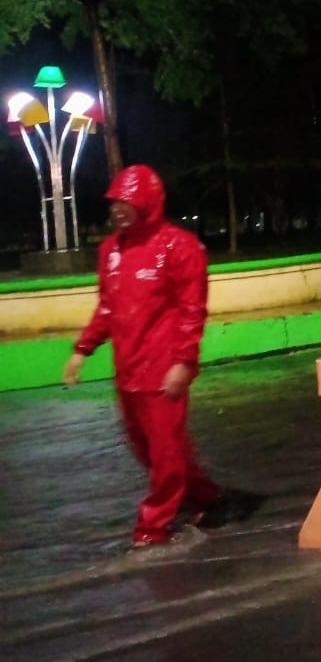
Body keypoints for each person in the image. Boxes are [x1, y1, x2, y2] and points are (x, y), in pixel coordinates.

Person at [64, 164, 250, 550]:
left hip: (162, 369)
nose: (117, 209)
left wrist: (183, 361)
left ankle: (151, 527)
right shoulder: (110, 250)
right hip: (128, 369)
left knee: (165, 452)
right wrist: (83, 349)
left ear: (147, 202)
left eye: (126, 201)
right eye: (114, 202)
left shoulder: (180, 247)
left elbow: (191, 310)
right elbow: (108, 308)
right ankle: (205, 497)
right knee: (147, 448)